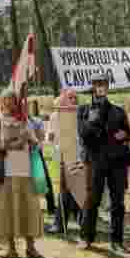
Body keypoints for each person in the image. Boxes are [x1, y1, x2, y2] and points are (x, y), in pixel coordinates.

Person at [78, 71, 130, 252]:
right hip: (95, 160)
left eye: (104, 84)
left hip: (117, 160)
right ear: (92, 88)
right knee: (92, 199)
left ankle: (117, 240)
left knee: (118, 201)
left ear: (107, 87)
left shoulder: (118, 110)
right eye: (97, 84)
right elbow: (84, 136)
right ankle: (86, 237)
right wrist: (96, 116)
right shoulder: (84, 110)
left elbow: (129, 132)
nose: (101, 87)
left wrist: (125, 134)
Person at [0, 89, 43, 258]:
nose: (10, 103)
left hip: (25, 171)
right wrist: (16, 143)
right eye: (7, 100)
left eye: (13, 100)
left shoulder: (25, 121)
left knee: (29, 208)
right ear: (2, 102)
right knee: (7, 210)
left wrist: (32, 141)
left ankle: (31, 247)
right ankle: (11, 248)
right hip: (5, 173)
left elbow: (35, 145)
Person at [47, 89, 85, 235]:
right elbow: (50, 137)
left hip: (79, 156)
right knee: (65, 190)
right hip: (63, 155)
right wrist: (52, 140)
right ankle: (60, 223)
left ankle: (83, 221)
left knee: (79, 189)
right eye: (70, 97)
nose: (74, 100)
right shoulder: (55, 116)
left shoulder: (81, 114)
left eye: (75, 97)